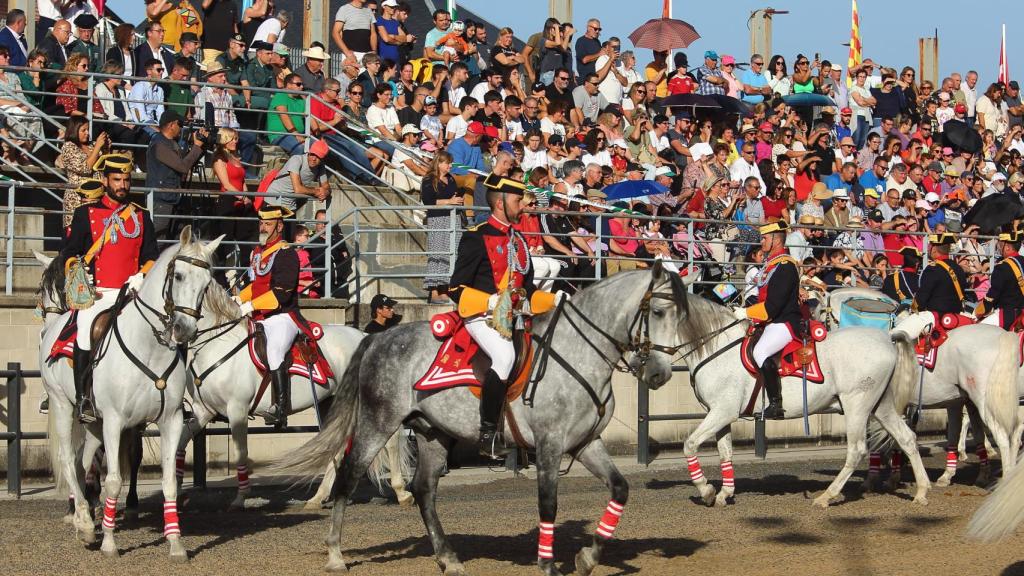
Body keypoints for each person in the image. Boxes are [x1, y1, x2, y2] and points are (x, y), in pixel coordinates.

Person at [448, 174, 560, 458]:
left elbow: (529, 290)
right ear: (500, 202)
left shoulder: (520, 240)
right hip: (482, 315)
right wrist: (490, 300)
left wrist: (556, 301)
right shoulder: (476, 236)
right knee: (505, 358)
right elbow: (455, 287)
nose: (522, 205)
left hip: (515, 317)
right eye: (517, 200)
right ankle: (488, 433)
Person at [59, 154, 158, 421]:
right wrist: (78, 273)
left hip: (133, 293)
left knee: (167, 327)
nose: (123, 185)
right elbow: (69, 252)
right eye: (117, 180)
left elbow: (152, 255)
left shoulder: (141, 214)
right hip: (100, 292)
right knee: (85, 328)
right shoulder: (85, 214)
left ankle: (173, 397)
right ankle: (83, 398)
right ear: (105, 180)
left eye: (126, 179)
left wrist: (142, 274)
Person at [235, 205, 302, 428]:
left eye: (268, 224)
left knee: (274, 350)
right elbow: (256, 286)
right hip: (260, 315)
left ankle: (281, 409)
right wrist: (237, 300)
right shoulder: (257, 252)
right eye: (261, 223)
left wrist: (250, 305)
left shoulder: (286, 254)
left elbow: (280, 295)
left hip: (283, 316)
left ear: (279, 226)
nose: (263, 227)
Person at [732, 220, 801, 419]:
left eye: (764, 238)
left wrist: (747, 313)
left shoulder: (785, 266)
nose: (761, 242)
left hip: (784, 322)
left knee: (760, 351)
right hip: (771, 321)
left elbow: (772, 306)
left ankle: (775, 404)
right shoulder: (772, 265)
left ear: (775, 240)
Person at [145, 110, 207, 238]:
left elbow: (186, 162)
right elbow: (183, 167)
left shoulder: (172, 143)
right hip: (161, 200)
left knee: (176, 240)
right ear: (171, 125)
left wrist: (201, 146)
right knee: (159, 239)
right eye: (180, 124)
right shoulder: (159, 143)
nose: (181, 128)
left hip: (171, 197)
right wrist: (196, 147)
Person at [59, 116, 107, 226]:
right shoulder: (69, 147)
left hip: (96, 197)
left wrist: (105, 148)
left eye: (88, 130)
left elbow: (103, 165)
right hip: (77, 199)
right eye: (83, 130)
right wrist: (98, 147)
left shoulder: (92, 146)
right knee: (77, 234)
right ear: (74, 130)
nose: (87, 133)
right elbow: (84, 169)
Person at [975, 228, 1024, 329]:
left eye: (1000, 244)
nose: (998, 246)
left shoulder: (1002, 267)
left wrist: (980, 311)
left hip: (1008, 315)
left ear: (1007, 247)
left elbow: (992, 296)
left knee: (977, 330)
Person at [913, 233, 967, 315]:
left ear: (934, 249)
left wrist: (914, 309)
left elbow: (921, 299)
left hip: (936, 318)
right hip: (956, 316)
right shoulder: (958, 268)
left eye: (930, 246)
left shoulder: (932, 269)